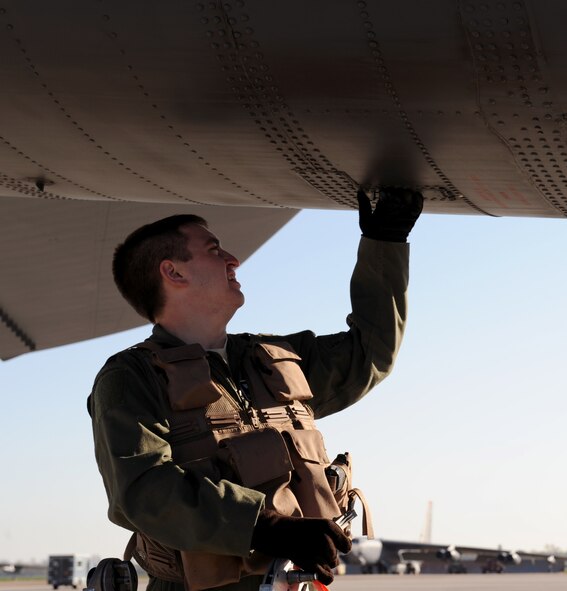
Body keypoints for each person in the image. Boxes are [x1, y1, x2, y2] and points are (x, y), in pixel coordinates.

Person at [88, 188, 423, 591]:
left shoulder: (274, 357)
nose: (233, 260)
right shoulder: (130, 377)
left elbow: (370, 354)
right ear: (173, 273)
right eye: (213, 250)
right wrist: (266, 527)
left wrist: (384, 242)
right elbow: (143, 491)